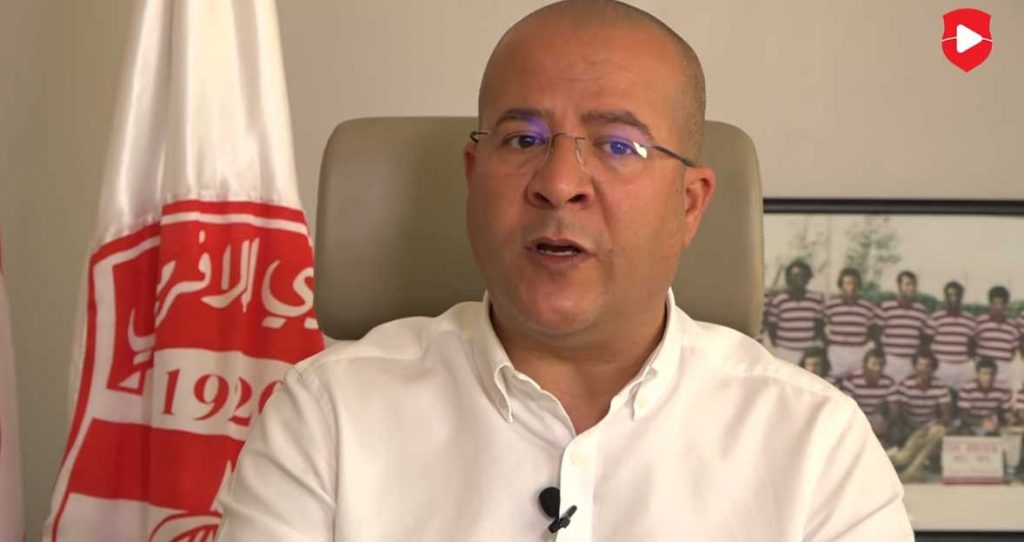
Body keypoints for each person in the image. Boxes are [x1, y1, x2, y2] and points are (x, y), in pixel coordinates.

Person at [215, 2, 912, 539]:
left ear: (689, 204)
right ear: (474, 175)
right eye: (524, 139)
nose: (558, 183)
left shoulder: (813, 445)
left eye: (618, 145)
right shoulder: (329, 417)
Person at [889, 349, 952, 483]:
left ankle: (912, 471)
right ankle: (872, 463)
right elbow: (901, 414)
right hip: (911, 427)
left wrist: (930, 426)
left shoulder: (940, 386)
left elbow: (946, 415)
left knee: (939, 431)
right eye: (920, 365)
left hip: (931, 429)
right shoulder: (906, 384)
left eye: (927, 366)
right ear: (915, 366)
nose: (924, 369)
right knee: (902, 458)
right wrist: (916, 429)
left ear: (933, 368)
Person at [875, 271, 931, 384]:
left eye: (914, 284)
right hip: (890, 360)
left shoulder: (922, 310)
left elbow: (926, 337)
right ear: (899, 286)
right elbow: (875, 333)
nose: (911, 288)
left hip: (911, 362)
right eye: (907, 284)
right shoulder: (885, 307)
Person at [823, 267, 880, 379]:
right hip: (836, 352)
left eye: (855, 284)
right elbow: (820, 326)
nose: (852, 287)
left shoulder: (867, 307)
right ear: (841, 285)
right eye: (848, 283)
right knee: (834, 382)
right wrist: (828, 343)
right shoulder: (831, 305)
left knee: (856, 382)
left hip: (858, 352)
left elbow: (872, 331)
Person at [766, 260, 825, 364]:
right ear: (788, 278)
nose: (800, 279)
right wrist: (780, 345)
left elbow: (819, 326)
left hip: (807, 353)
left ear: (808, 278)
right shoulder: (778, 300)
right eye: (795, 275)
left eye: (803, 275)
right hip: (785, 352)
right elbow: (772, 327)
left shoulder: (816, 300)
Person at [842, 349, 899, 446]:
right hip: (858, 419)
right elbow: (847, 407)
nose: (877, 368)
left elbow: (894, 409)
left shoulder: (889, 382)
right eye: (874, 364)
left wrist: (886, 422)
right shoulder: (852, 380)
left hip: (878, 421)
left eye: (881, 365)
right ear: (865, 364)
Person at [927, 281, 977, 390]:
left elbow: (972, 345)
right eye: (950, 295)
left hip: (963, 367)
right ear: (945, 297)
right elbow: (926, 342)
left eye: (956, 295)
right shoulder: (935, 317)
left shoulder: (970, 319)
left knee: (964, 397)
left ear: (961, 297)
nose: (953, 299)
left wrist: (970, 363)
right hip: (942, 366)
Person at [974, 286, 1021, 388]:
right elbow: (972, 345)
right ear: (990, 304)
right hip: (984, 370)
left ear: (1006, 305)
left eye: (1001, 304)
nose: (998, 307)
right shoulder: (980, 322)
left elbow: (1014, 350)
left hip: (1003, 372)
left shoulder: (1012, 325)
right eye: (995, 303)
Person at [954, 358, 1016, 435]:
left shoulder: (1002, 389)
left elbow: (1007, 410)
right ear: (977, 374)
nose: (988, 377)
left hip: (990, 423)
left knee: (1001, 432)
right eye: (984, 373)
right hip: (970, 423)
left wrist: (1009, 417)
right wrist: (981, 422)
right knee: (964, 432)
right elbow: (963, 416)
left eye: (992, 373)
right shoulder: (967, 389)